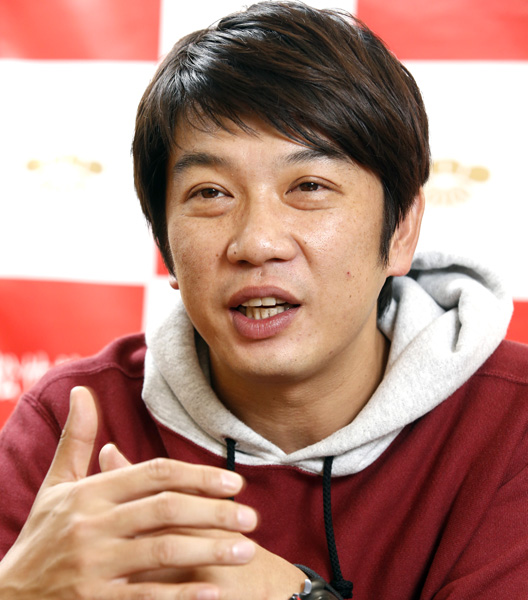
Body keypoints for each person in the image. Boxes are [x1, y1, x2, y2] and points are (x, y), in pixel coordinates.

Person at [0, 1, 526, 598]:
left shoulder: (511, 424)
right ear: (165, 244)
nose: (256, 243)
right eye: (210, 193)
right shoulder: (74, 423)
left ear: (401, 229)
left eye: (309, 186)